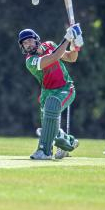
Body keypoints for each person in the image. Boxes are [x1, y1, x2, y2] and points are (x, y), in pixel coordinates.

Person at [18, 24, 84, 160]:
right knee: (50, 130)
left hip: (66, 89)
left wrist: (76, 46)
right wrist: (67, 38)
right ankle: (69, 142)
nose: (28, 45)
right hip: (47, 93)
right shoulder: (30, 61)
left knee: (52, 107)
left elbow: (71, 58)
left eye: (30, 40)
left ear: (37, 39)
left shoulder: (50, 45)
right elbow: (53, 57)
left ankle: (44, 152)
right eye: (24, 43)